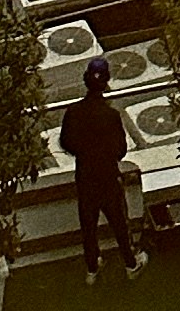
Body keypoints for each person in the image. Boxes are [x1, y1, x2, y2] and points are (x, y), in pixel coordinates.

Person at [58, 55, 143, 279]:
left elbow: (66, 142)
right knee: (119, 223)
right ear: (106, 83)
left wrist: (84, 153)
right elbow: (121, 151)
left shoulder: (73, 112)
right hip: (107, 176)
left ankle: (92, 267)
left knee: (88, 225)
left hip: (85, 176)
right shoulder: (111, 116)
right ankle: (130, 263)